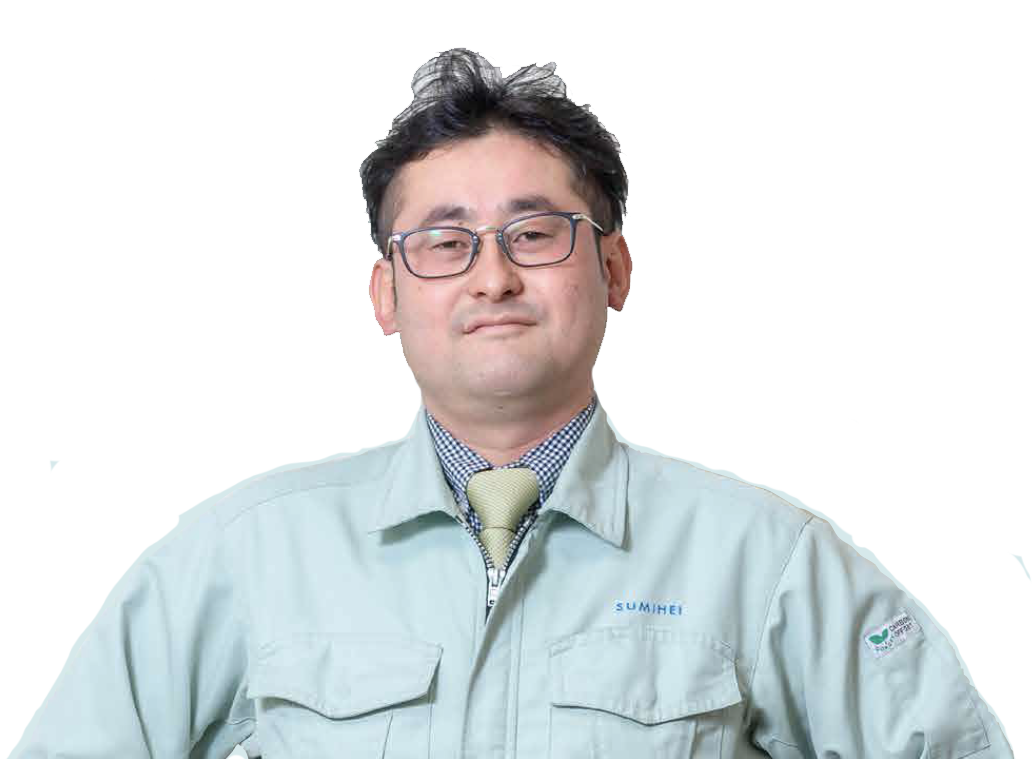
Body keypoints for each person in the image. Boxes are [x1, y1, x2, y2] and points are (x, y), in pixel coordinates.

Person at [6, 47, 1012, 759]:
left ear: (614, 268)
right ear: (387, 295)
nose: (492, 278)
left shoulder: (773, 561)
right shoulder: (235, 555)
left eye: (534, 234)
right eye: (444, 243)